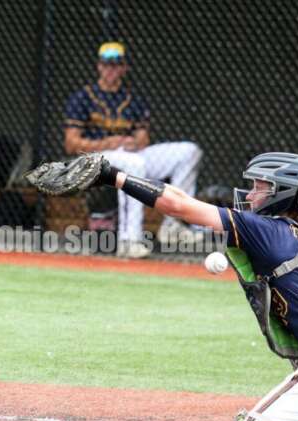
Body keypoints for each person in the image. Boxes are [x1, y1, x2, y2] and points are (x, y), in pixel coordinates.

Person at [31, 152, 298, 421]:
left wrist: (113, 176)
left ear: (284, 195)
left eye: (261, 187)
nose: (252, 193)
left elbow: (178, 205)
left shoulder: (265, 228)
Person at [63, 41, 203, 258]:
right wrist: (108, 143)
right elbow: (71, 143)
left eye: (116, 64)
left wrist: (132, 142)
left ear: (124, 68)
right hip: (97, 159)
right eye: (106, 64)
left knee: (189, 151)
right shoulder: (82, 98)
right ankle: (129, 239)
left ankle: (173, 224)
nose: (111, 69)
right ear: (99, 66)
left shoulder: (132, 100)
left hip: (129, 154)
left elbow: (143, 138)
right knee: (134, 164)